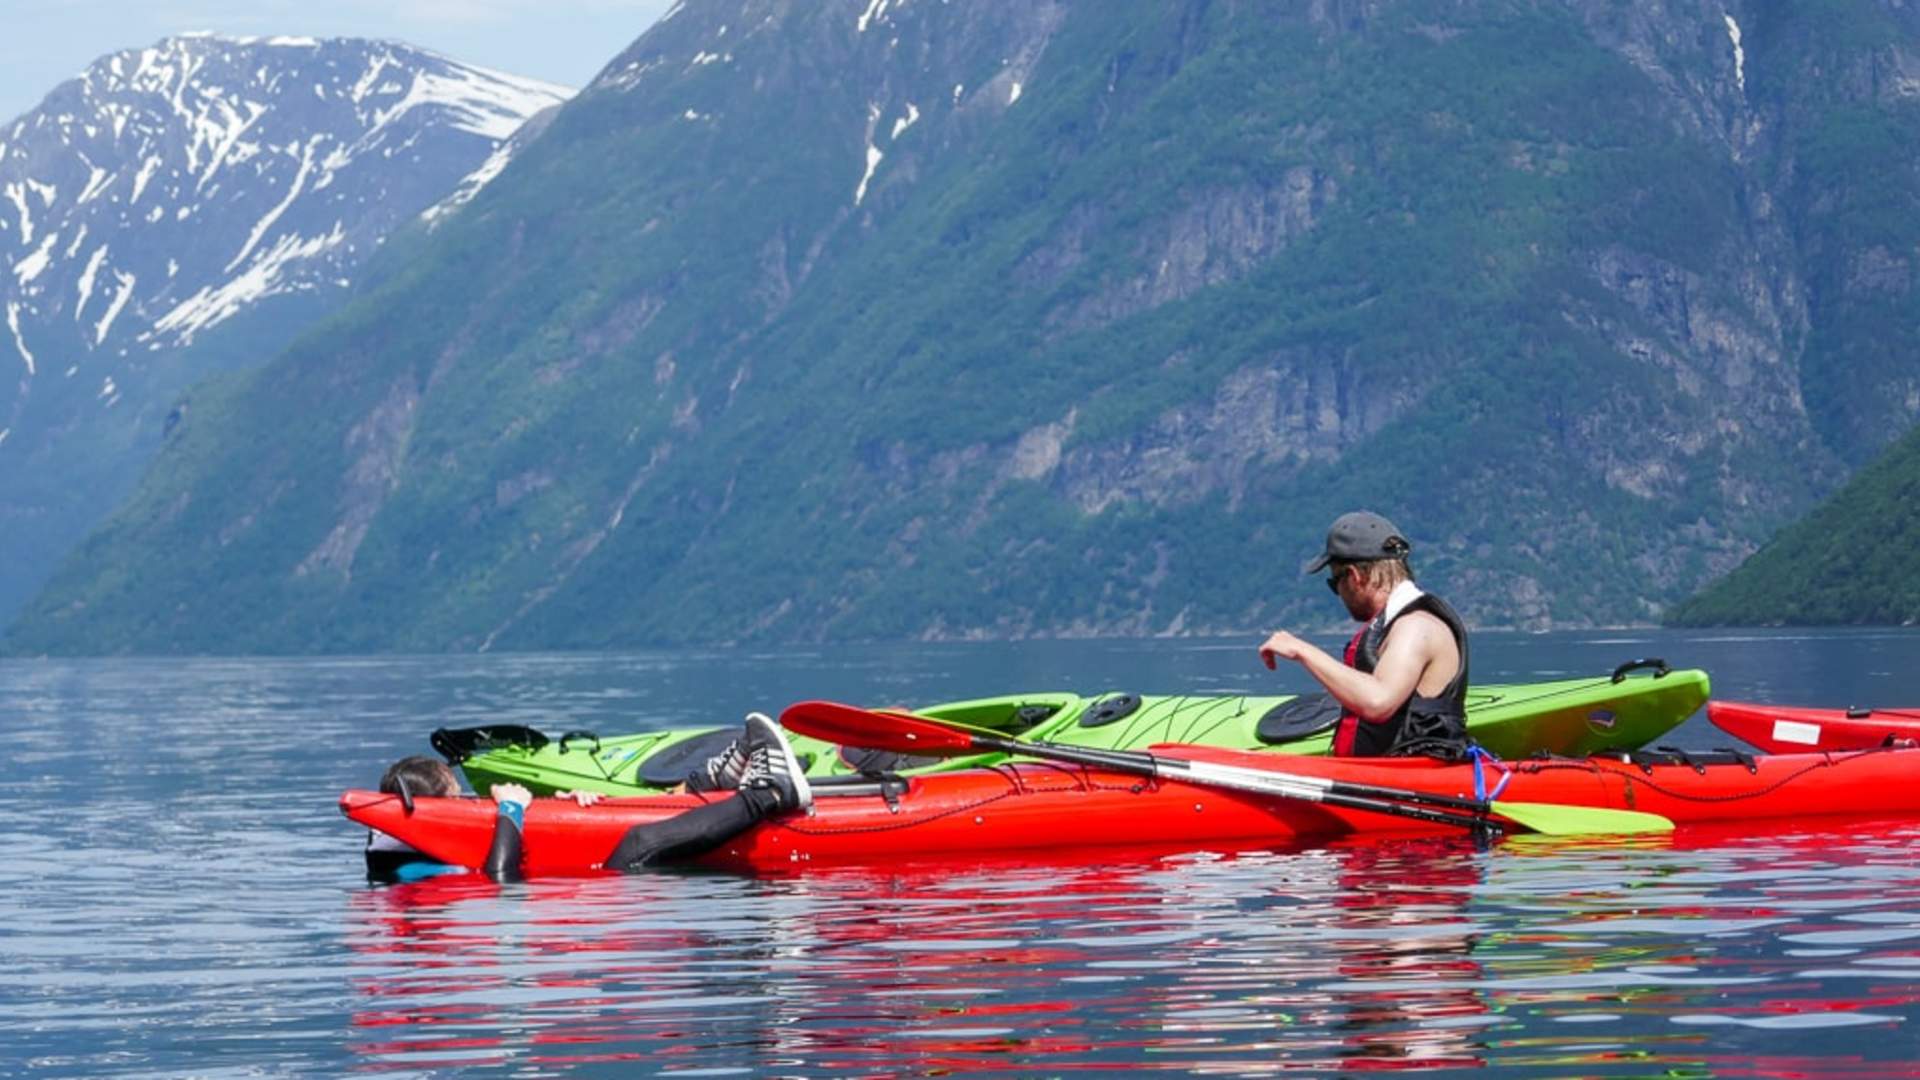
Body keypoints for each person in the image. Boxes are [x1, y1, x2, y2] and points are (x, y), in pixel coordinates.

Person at [364, 713, 813, 882]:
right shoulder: (409, 870)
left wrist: (560, 806)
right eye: (456, 798)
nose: (465, 804)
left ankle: (705, 785)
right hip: (603, 890)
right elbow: (499, 876)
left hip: (573, 881)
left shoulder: (411, 850)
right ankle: (768, 794)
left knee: (622, 818)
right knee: (639, 843)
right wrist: (511, 809)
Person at [1257, 511, 1470, 759]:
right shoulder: (1396, 624)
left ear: (1354, 576)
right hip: (1375, 772)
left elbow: (1378, 702)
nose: (1338, 593)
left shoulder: (1417, 628)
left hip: (1412, 775)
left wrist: (1301, 651)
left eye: (1334, 583)